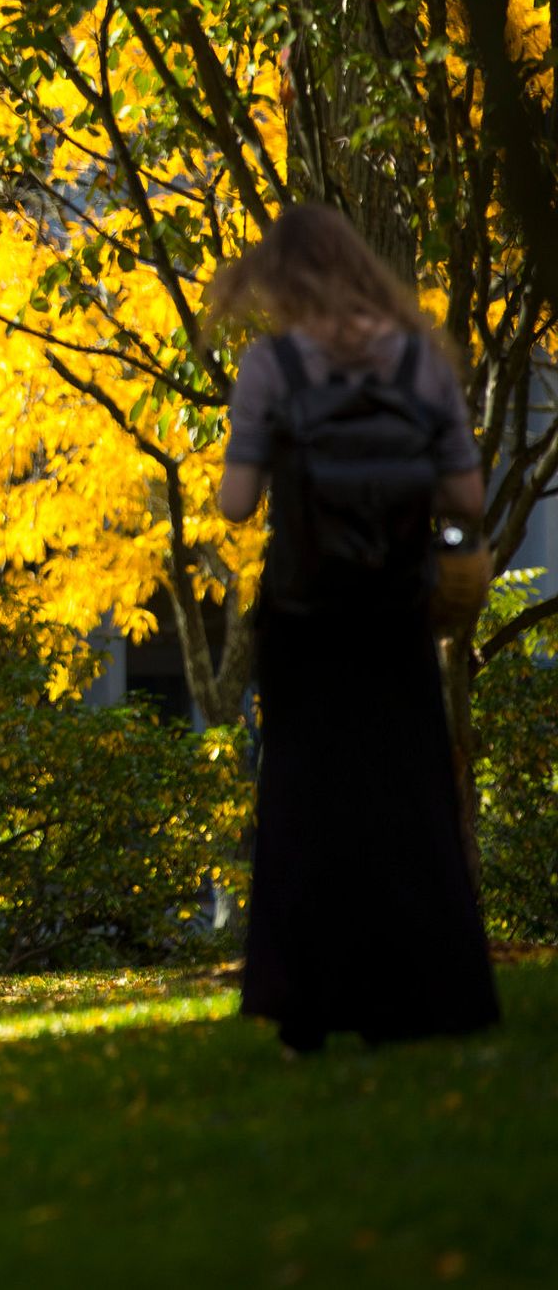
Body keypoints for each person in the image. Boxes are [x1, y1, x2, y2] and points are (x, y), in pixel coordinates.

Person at [210, 202, 500, 1054]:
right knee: (406, 794)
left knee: (305, 797)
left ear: (279, 279)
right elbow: (468, 500)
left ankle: (305, 1007)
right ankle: (410, 1000)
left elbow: (238, 501)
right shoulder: (421, 360)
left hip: (306, 614)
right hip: (397, 614)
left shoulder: (273, 367)